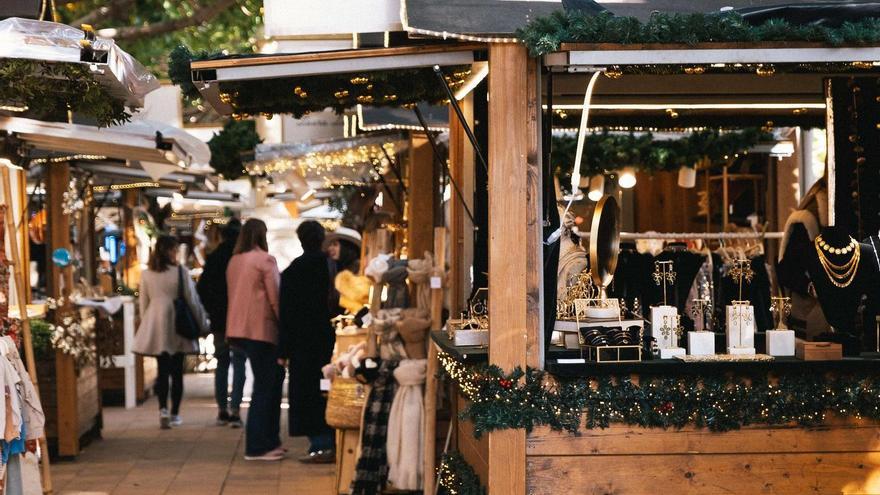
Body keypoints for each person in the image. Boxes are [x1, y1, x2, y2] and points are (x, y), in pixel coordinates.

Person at [133, 235, 209, 429]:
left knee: (162, 370)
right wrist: (202, 323)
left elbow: (143, 304)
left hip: (156, 323)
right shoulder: (180, 272)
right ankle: (175, 413)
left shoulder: (147, 274)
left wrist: (146, 324)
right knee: (176, 372)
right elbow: (192, 300)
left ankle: (162, 409)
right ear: (169, 251)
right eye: (174, 249)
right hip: (177, 323)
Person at [225, 219, 284, 461]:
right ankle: (257, 446)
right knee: (265, 386)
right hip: (261, 329)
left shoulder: (234, 261)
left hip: (238, 329)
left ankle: (270, 440)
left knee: (266, 382)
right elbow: (275, 297)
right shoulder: (265, 260)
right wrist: (285, 326)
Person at [279, 221, 336, 463]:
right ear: (322, 238)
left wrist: (283, 349)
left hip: (302, 342)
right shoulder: (332, 266)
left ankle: (318, 443)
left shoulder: (293, 271)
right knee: (329, 388)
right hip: (329, 338)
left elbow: (286, 312)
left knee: (308, 392)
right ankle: (332, 439)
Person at [196, 218, 246, 427]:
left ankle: (222, 410)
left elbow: (201, 289)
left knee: (222, 363)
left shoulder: (214, 257)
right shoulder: (242, 258)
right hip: (240, 318)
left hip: (219, 320)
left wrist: (212, 310)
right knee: (240, 363)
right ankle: (235, 410)